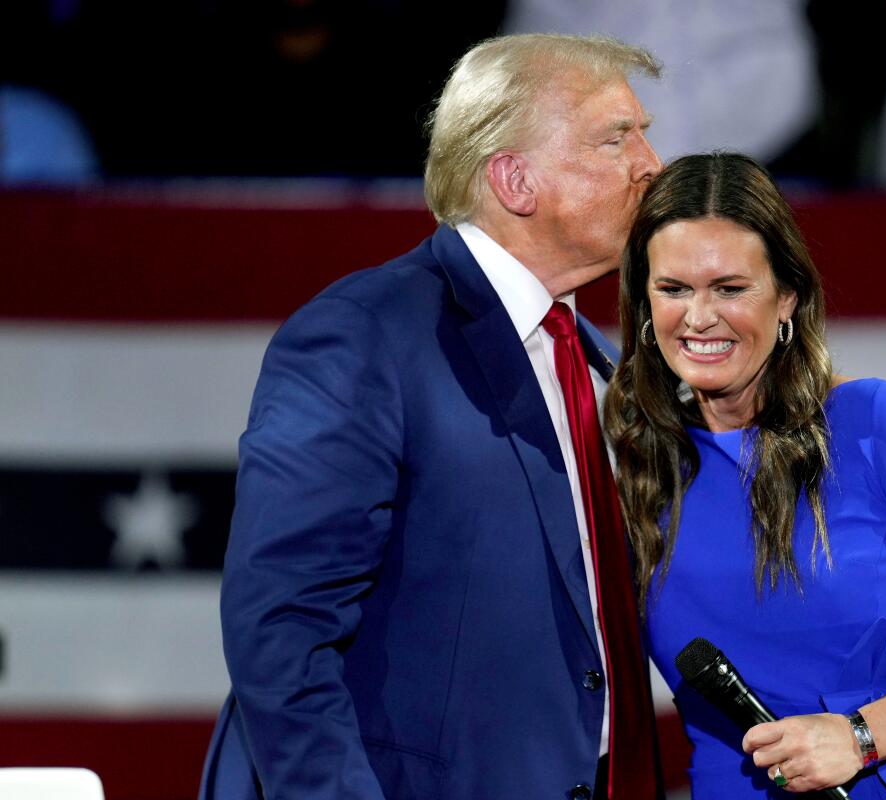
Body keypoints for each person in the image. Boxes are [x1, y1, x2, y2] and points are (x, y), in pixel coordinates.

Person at [199, 34, 664, 800]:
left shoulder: (602, 363)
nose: (652, 164)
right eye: (617, 138)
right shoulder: (365, 333)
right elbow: (281, 631)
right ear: (515, 179)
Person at [603, 152, 886, 798]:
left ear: (787, 296)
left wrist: (860, 736)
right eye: (673, 289)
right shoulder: (637, 469)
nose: (699, 318)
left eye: (730, 288)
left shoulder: (877, 424)